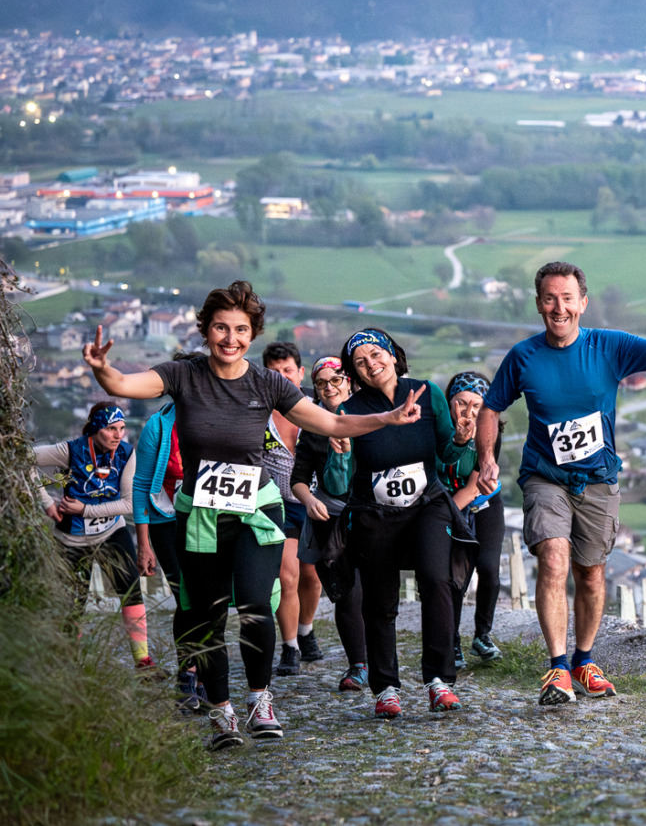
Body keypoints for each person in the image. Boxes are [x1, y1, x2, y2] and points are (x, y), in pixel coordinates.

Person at [81, 280, 426, 751]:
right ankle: (221, 711)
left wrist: (385, 419)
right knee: (206, 614)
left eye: (241, 329)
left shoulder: (267, 383)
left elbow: (330, 422)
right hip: (200, 514)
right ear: (205, 330)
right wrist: (103, 369)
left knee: (253, 604)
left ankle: (260, 700)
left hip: (256, 510)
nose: (230, 338)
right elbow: (125, 384)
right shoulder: (184, 376)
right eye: (221, 327)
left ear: (253, 333)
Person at [477, 261, 646, 705]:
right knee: (553, 557)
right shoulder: (523, 356)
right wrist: (486, 455)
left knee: (591, 574)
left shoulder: (609, 346)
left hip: (598, 479)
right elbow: (490, 408)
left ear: (583, 303)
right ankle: (557, 668)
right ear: (539, 304)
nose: (558, 307)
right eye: (549, 298)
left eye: (567, 298)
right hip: (545, 477)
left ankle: (584, 660)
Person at [336, 327, 473, 719]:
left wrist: (462, 439)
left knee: (436, 579)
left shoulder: (427, 393)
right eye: (360, 363)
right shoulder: (350, 411)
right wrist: (339, 454)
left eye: (377, 355)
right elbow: (341, 479)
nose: (371, 364)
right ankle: (386, 688)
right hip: (375, 514)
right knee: (380, 601)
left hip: (426, 505)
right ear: (355, 373)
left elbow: (448, 452)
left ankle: (439, 680)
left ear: (394, 356)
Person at [34, 402, 152, 671]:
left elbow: (129, 503)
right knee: (72, 604)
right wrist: (46, 503)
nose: (118, 435)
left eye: (121, 429)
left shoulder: (125, 452)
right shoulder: (70, 450)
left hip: (112, 532)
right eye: (111, 429)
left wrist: (86, 509)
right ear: (97, 429)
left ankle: (144, 663)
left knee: (132, 593)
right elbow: (23, 459)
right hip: (71, 540)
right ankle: (68, 665)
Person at [132, 352, 206, 709]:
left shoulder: (218, 418)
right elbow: (140, 484)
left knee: (209, 597)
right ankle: (189, 673)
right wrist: (142, 543)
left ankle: (205, 671)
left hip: (209, 518)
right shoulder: (158, 427)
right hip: (167, 519)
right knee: (187, 597)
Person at [290, 355, 367, 692]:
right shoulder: (313, 425)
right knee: (346, 592)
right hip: (329, 518)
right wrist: (308, 500)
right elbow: (299, 478)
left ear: (349, 382)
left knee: (375, 592)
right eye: (321, 383)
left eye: (335, 380)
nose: (329, 388)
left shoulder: (369, 416)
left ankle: (379, 662)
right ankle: (358, 665)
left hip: (371, 515)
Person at [261, 341, 324, 676]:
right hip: (279, 503)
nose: (282, 379)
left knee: (312, 577)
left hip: (316, 502)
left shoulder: (318, 406)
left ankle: (306, 629)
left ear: (300, 373)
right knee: (288, 575)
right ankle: (290, 648)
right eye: (274, 373)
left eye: (288, 371)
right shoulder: (258, 414)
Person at [439, 371, 505, 669]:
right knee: (455, 578)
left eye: (476, 406)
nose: (468, 412)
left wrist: (440, 517)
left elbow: (472, 487)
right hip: (446, 505)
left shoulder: (489, 435)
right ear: (448, 403)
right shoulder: (436, 431)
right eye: (461, 403)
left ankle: (482, 635)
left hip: (481, 501)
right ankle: (450, 641)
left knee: (489, 568)